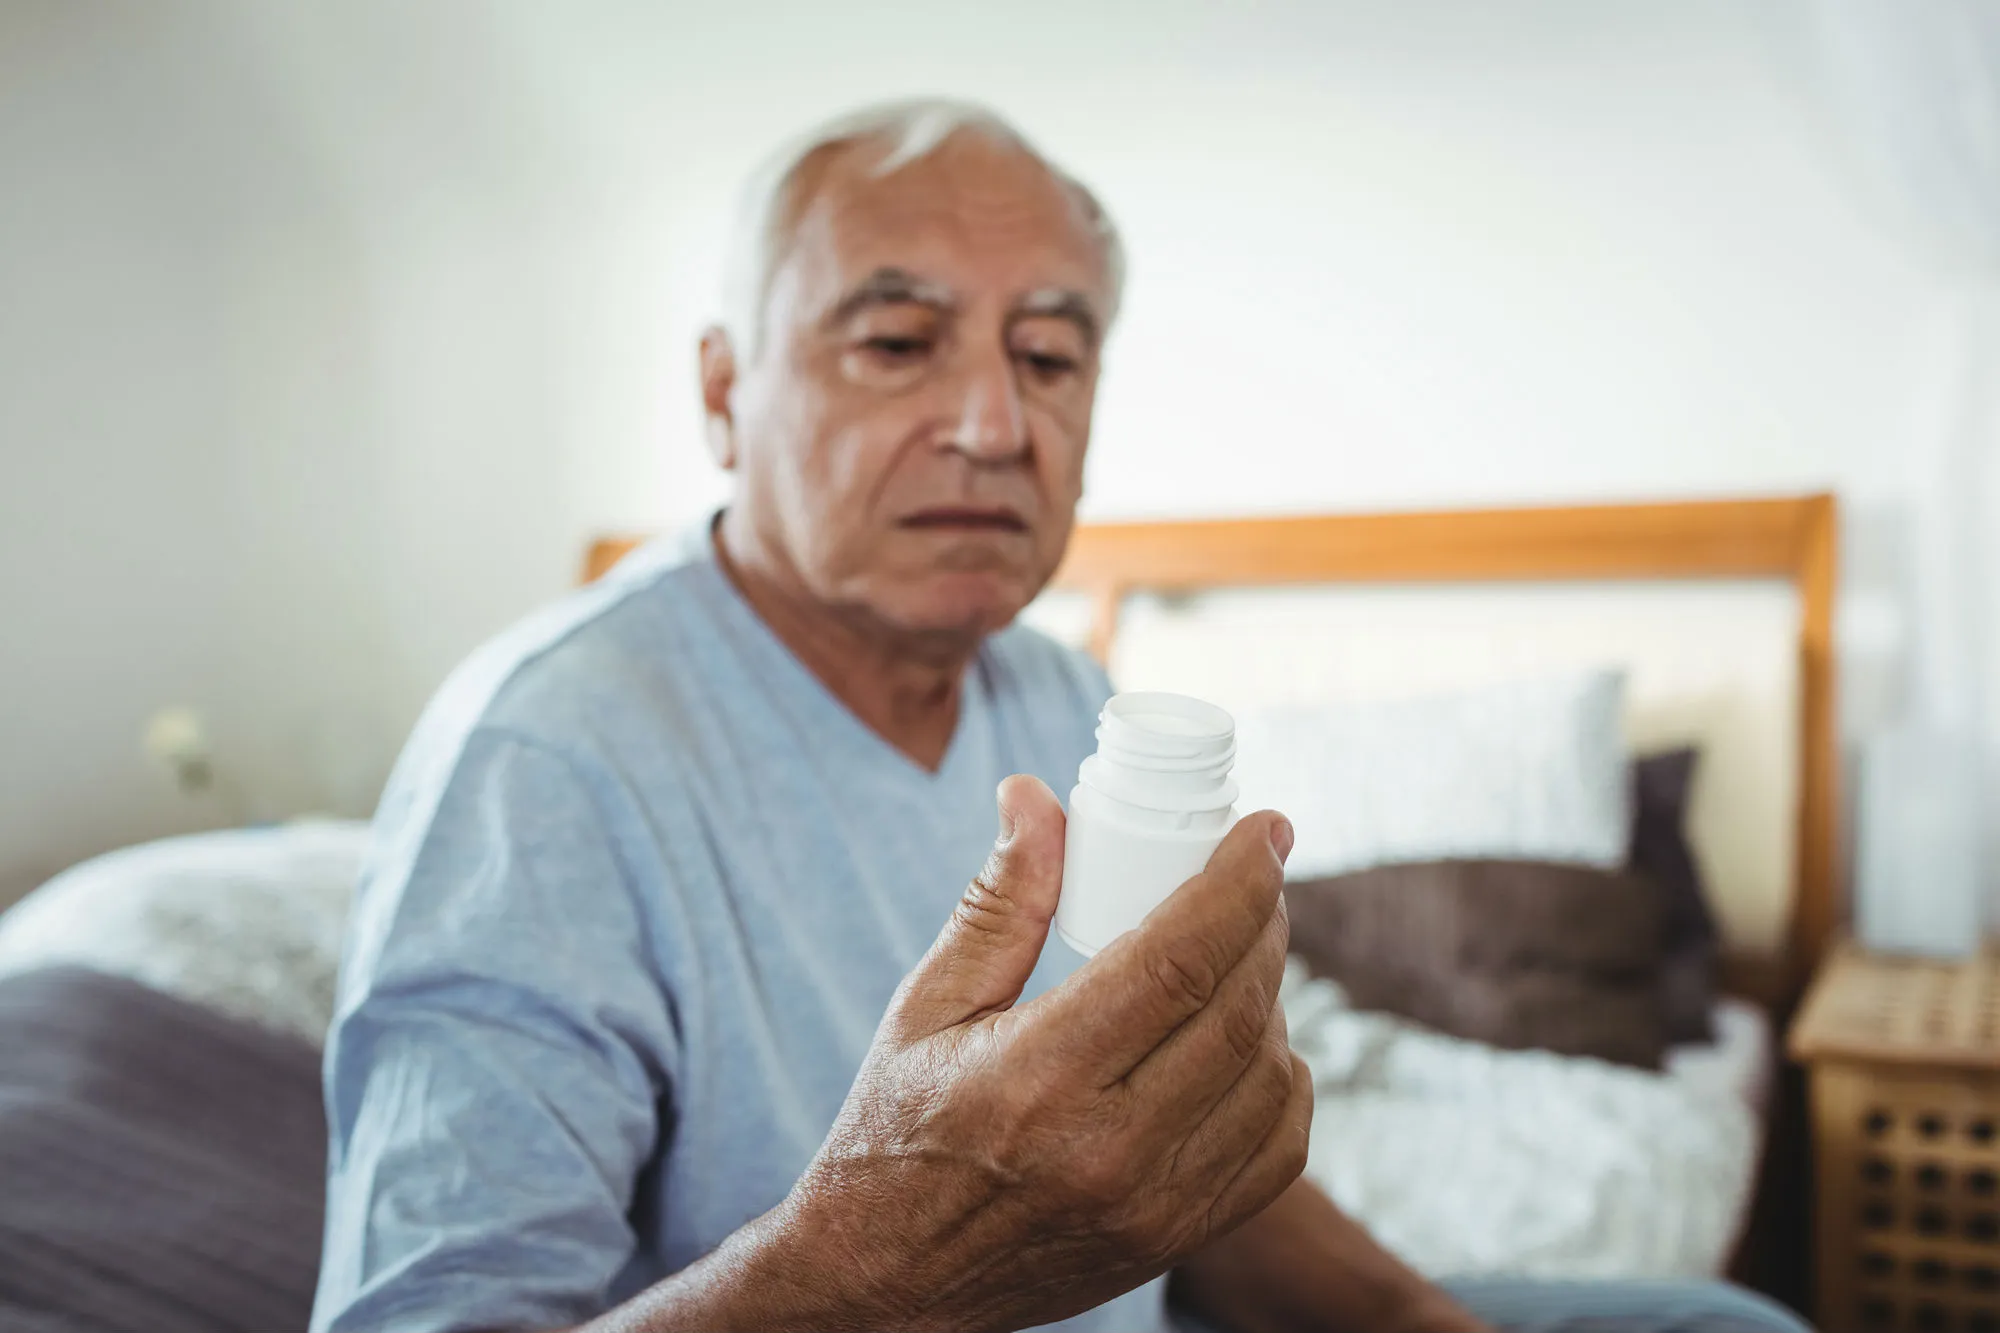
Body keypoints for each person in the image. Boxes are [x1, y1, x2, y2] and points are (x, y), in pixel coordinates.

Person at [312, 100, 1810, 1333]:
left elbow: (1175, 1165)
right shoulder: (545, 761)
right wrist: (870, 1263)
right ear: (722, 392)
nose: (993, 426)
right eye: (897, 344)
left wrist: (1422, 1322)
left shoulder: (1062, 697)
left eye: (1047, 356)